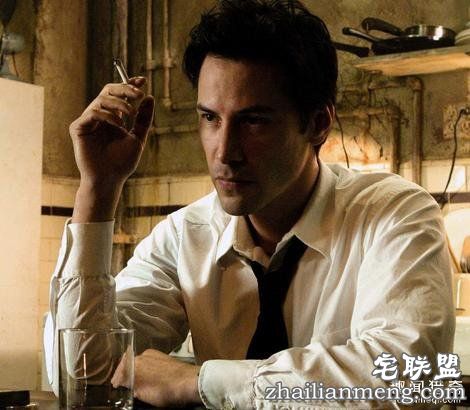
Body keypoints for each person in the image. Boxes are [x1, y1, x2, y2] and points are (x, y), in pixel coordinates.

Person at [45, 0, 455, 408]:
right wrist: (98, 189)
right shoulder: (185, 236)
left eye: (253, 121)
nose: (225, 152)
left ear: (318, 124)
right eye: (210, 118)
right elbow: (83, 374)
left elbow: (409, 381)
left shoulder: (396, 214)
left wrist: (201, 382)